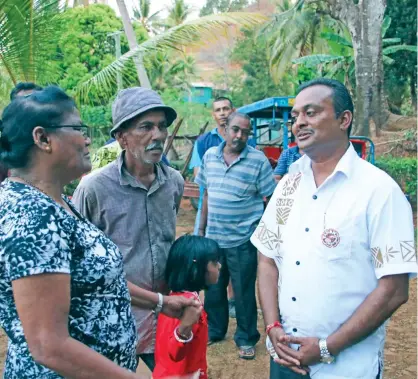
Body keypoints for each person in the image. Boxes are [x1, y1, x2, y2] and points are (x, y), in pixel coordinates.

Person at [0, 86, 174, 378]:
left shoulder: (57, 204)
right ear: (43, 138)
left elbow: (95, 281)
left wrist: (160, 303)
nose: (88, 139)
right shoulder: (33, 217)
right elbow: (48, 345)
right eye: (78, 128)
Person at [251, 78, 417, 379]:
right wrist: (273, 326)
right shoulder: (289, 185)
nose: (298, 123)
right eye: (295, 116)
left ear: (344, 119)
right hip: (285, 358)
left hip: (345, 368)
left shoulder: (379, 191)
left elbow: (394, 290)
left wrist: (327, 347)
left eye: (311, 113)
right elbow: (266, 258)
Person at [72, 87, 186, 372]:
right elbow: (78, 262)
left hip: (165, 315)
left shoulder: (173, 182)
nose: (158, 135)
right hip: (113, 319)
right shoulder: (94, 189)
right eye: (145, 127)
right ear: (122, 138)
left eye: (161, 127)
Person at [196, 112, 276, 360]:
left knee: (242, 293)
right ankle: (216, 331)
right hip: (213, 240)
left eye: (245, 132)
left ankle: (246, 337)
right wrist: (200, 229)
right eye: (235, 130)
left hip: (243, 241)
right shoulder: (210, 156)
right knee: (214, 290)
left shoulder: (258, 161)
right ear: (225, 129)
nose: (239, 136)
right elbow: (206, 194)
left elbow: (269, 199)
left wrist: (260, 233)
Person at [189, 96, 254, 318]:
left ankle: (234, 301)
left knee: (238, 270)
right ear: (213, 115)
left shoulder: (244, 139)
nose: (223, 112)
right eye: (218, 109)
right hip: (211, 211)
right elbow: (199, 174)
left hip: (239, 224)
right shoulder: (204, 142)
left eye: (227, 108)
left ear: (233, 111)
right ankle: (214, 320)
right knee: (212, 267)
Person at [153, 235, 221, 379]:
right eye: (215, 262)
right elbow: (174, 353)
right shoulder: (188, 306)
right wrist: (184, 328)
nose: (219, 266)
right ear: (197, 269)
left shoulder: (175, 298)